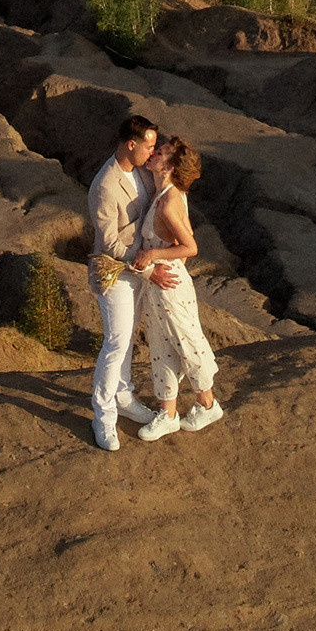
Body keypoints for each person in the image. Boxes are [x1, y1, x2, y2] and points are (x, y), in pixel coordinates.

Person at [84, 113, 176, 452]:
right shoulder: (105, 185)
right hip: (116, 273)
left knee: (128, 339)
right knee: (116, 342)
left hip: (139, 269)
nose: (153, 151)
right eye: (149, 146)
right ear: (131, 144)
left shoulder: (141, 171)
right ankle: (103, 415)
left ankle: (123, 397)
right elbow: (110, 243)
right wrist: (148, 268)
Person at [131, 137, 222, 440]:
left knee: (187, 343)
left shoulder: (169, 202)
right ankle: (167, 414)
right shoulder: (168, 194)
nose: (155, 153)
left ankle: (208, 404)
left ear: (169, 167)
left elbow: (191, 247)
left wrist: (153, 256)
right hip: (159, 283)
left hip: (169, 285)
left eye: (162, 153)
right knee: (161, 348)